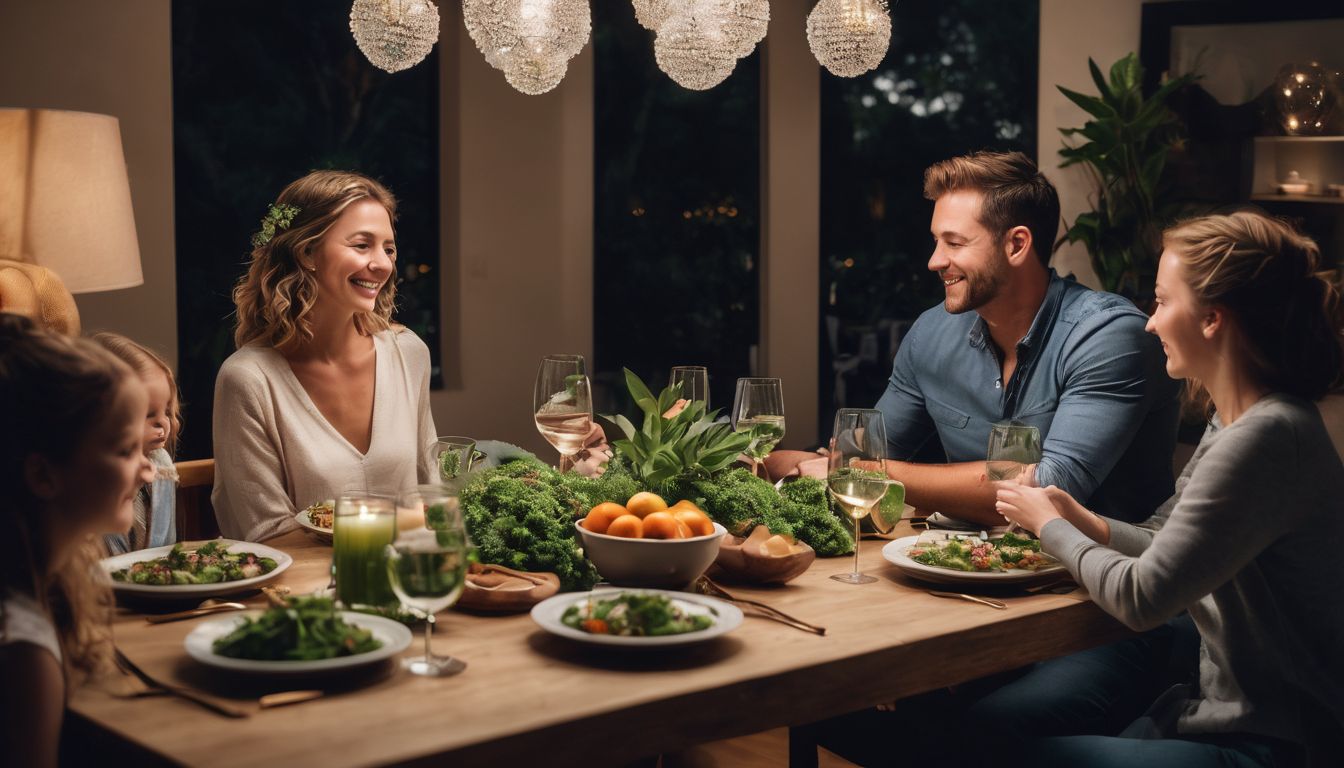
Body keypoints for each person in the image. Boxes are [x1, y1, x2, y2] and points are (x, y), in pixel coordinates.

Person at [994, 210, 1344, 766]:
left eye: (1161, 301)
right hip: (1212, 714)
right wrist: (1082, 520)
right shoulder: (1237, 424)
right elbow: (1169, 553)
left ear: (1212, 319)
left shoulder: (1266, 437)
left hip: (1276, 743)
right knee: (991, 731)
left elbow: (1143, 598)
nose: (1149, 322)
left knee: (1004, 754)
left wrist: (1050, 526)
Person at [874, 151, 1179, 525]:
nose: (935, 261)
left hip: (1097, 577)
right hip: (961, 566)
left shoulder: (1109, 336)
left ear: (1017, 244)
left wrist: (870, 473)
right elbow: (872, 450)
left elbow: (1047, 493)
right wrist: (816, 467)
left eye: (954, 243)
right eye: (937, 241)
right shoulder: (930, 333)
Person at [212, 170, 438, 542]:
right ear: (307, 252)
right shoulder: (249, 379)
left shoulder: (408, 354)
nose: (382, 263)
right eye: (362, 245)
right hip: (305, 594)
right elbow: (266, 533)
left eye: (389, 247)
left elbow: (431, 492)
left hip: (409, 583)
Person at [0, 313, 155, 767]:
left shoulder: (45, 588)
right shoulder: (24, 653)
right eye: (126, 450)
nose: (147, 470)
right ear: (43, 474)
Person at [92, 333, 181, 553]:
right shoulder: (94, 478)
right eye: (148, 413)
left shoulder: (162, 464)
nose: (163, 422)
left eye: (167, 410)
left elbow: (166, 547)